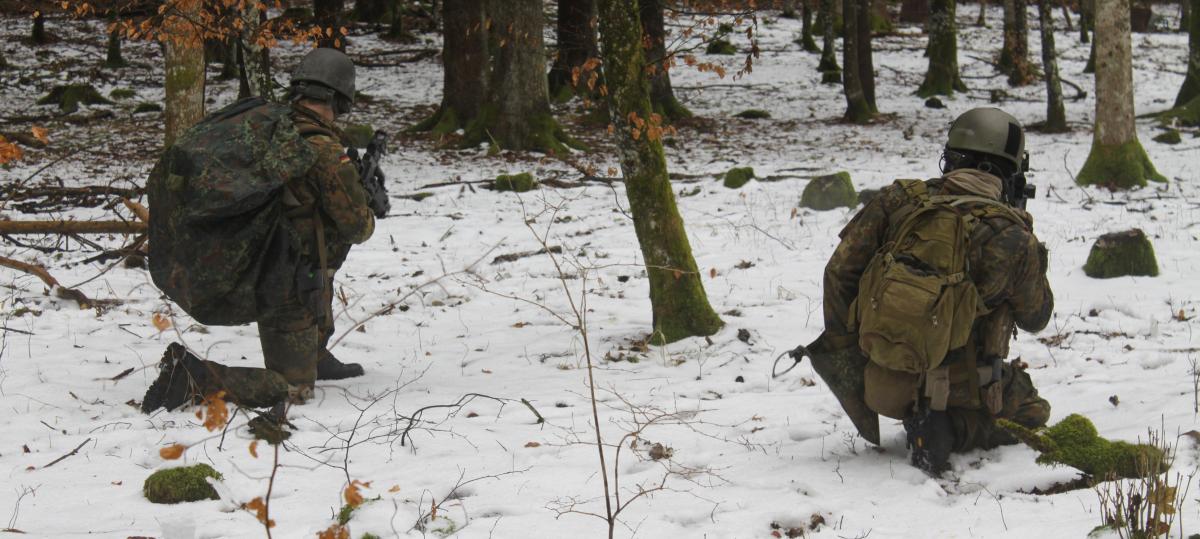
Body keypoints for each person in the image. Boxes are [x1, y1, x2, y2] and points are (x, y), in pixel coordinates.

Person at [820, 107, 1054, 475]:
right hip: (964, 386)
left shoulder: (899, 200)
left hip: (881, 378)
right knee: (1033, 409)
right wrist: (1029, 245)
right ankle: (953, 428)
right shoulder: (1012, 237)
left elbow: (838, 274)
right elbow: (1036, 317)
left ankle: (926, 413)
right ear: (1009, 172)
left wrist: (852, 356)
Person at [142, 48, 377, 413]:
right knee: (292, 391)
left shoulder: (271, 126)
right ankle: (194, 377)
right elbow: (357, 228)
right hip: (287, 284)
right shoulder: (324, 150)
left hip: (265, 264)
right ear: (340, 100)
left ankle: (313, 353)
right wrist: (370, 204)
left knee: (316, 259)